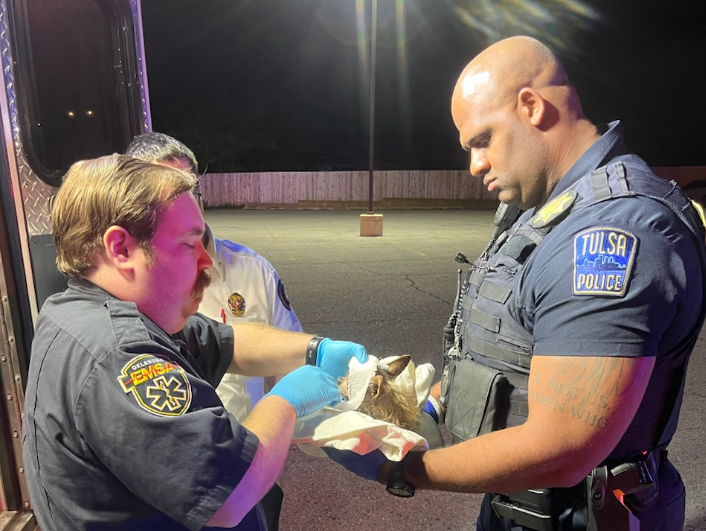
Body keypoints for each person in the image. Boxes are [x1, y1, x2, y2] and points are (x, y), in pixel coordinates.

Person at [326, 36, 706, 531]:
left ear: (532, 106)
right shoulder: (544, 213)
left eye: (482, 140)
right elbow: (508, 349)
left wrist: (398, 468)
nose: (474, 164)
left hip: (587, 516)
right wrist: (429, 405)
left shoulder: (608, 234)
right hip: (526, 508)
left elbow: (562, 447)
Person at [21, 154, 368, 530]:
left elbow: (227, 340)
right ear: (121, 248)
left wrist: (315, 350)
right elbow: (232, 493)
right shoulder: (118, 352)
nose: (207, 261)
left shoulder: (84, 309)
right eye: (189, 244)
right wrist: (286, 401)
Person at [126, 132, 300, 530]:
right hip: (168, 489)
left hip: (252, 466)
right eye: (168, 196)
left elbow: (286, 360)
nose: (188, 208)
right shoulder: (127, 294)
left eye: (191, 190)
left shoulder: (252, 270)